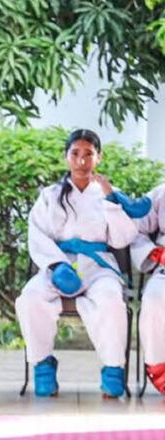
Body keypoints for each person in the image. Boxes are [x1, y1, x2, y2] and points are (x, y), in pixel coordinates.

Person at [15, 129, 138, 399]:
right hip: (59, 265)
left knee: (110, 299)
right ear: (66, 156)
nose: (82, 161)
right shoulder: (50, 195)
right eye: (75, 154)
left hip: (97, 267)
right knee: (31, 297)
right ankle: (43, 365)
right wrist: (57, 265)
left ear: (99, 157)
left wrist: (112, 201)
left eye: (88, 154)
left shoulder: (110, 193)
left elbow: (123, 238)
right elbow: (37, 234)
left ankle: (113, 369)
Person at [132, 184, 165, 395]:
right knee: (153, 299)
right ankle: (159, 367)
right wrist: (155, 253)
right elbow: (134, 229)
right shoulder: (161, 194)